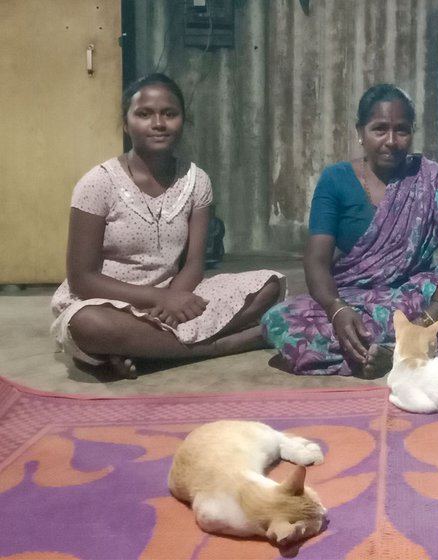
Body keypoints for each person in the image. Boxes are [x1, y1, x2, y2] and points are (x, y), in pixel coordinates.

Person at [261, 84, 438, 376]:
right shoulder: (335, 180)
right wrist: (337, 308)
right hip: (359, 299)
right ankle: (414, 354)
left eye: (401, 130)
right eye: (379, 129)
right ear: (360, 132)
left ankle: (390, 353)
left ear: (412, 132)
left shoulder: (431, 177)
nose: (391, 141)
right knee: (281, 319)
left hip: (421, 295)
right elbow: (316, 260)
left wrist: (432, 317)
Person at [51, 73, 285, 379]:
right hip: (108, 301)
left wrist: (173, 298)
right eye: (144, 114)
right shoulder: (98, 183)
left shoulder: (196, 180)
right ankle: (219, 346)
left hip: (176, 293)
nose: (158, 123)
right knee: (88, 325)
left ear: (183, 121)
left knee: (269, 285)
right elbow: (82, 278)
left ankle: (143, 350)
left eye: (169, 114)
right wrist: (159, 300)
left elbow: (195, 263)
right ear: (126, 123)